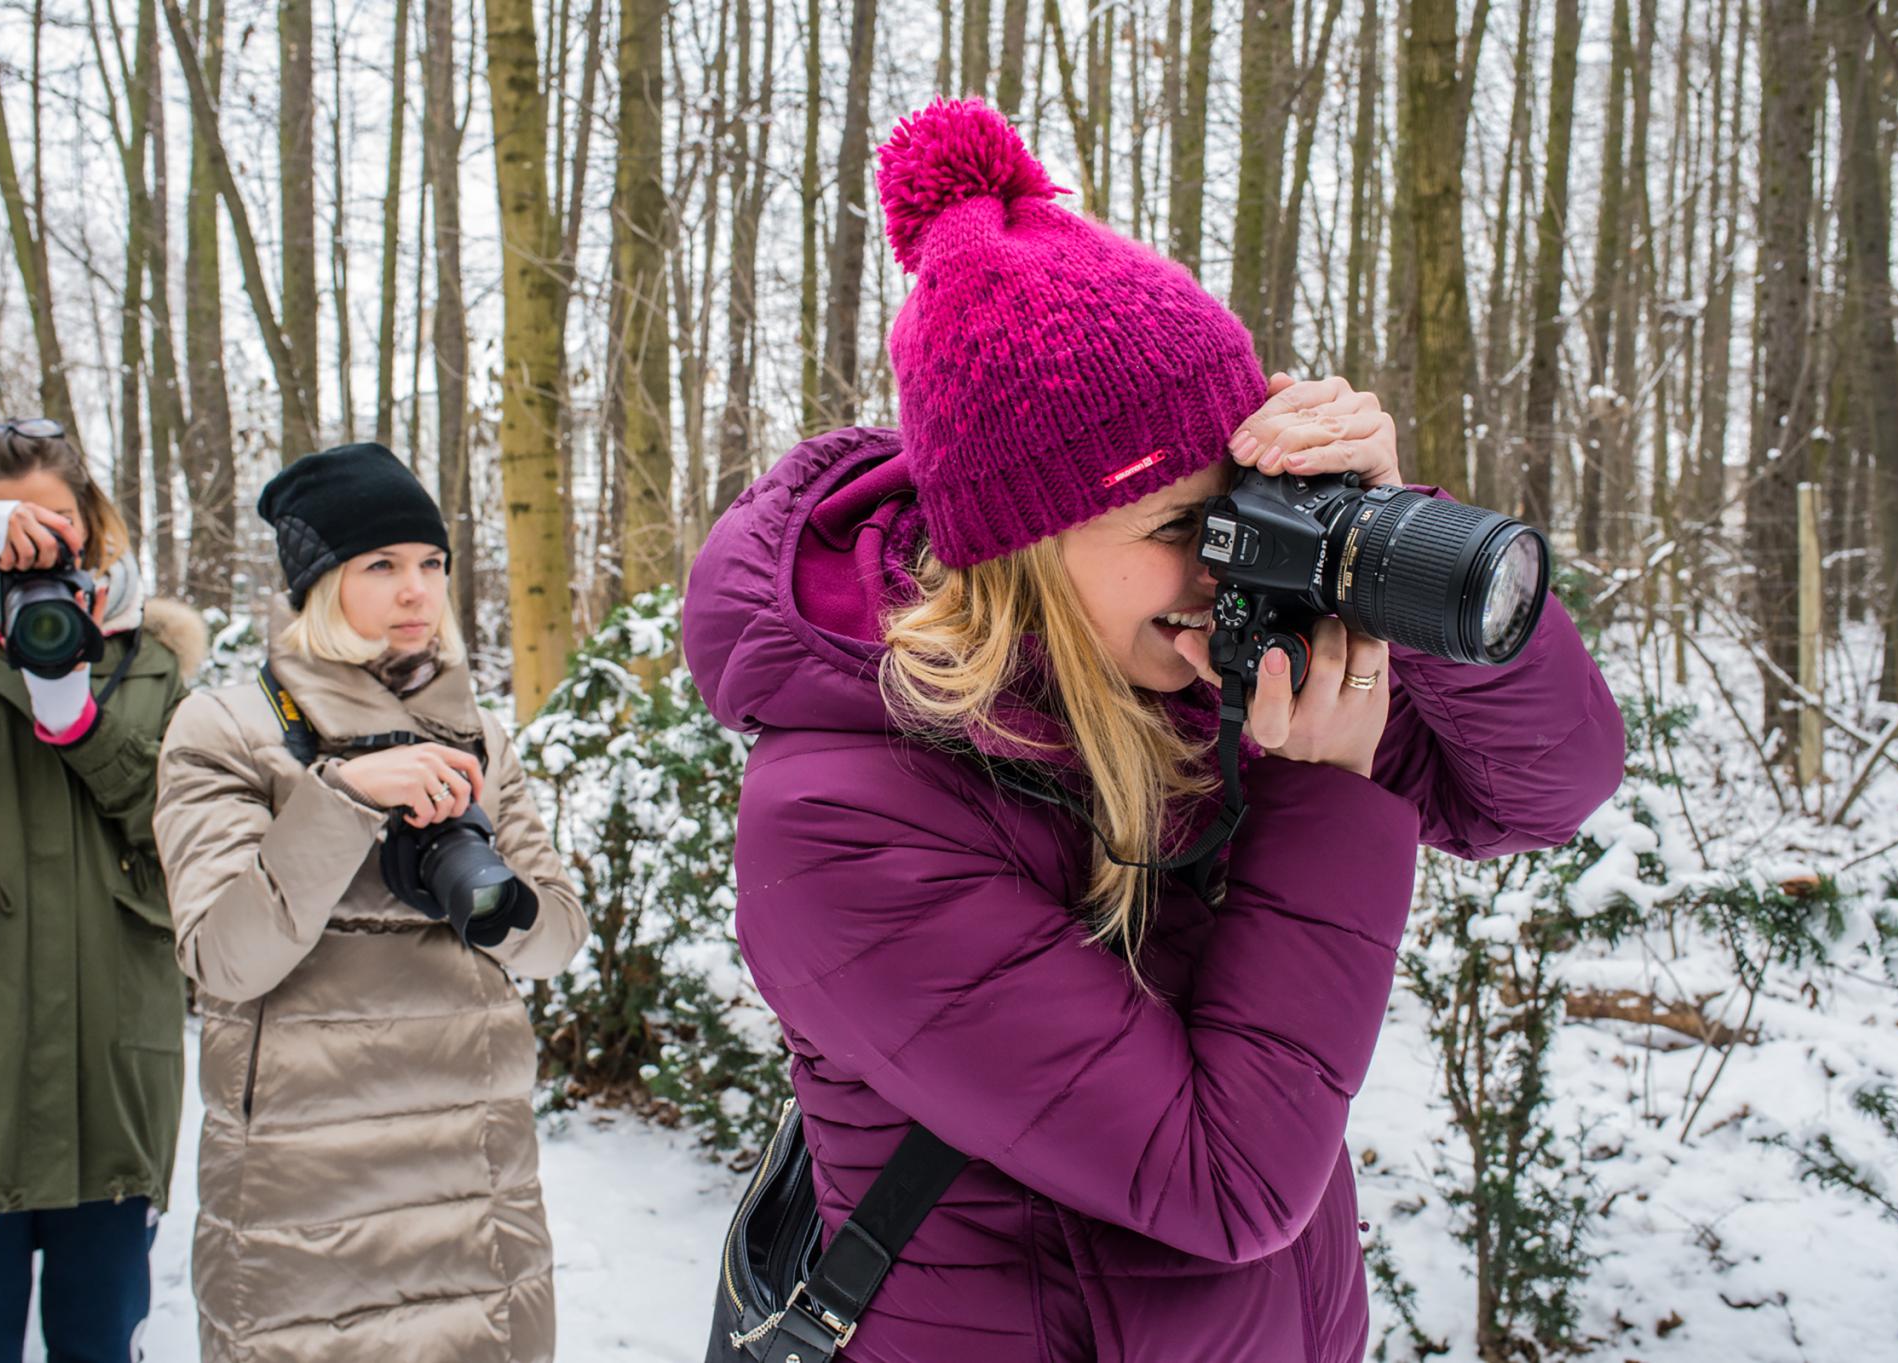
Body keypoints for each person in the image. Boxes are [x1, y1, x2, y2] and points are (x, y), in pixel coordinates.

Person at [682, 100, 1626, 1363]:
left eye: (1244, 508)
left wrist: (1385, 530)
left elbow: (1536, 790)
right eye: (1181, 525)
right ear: (1021, 543)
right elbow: (1219, 1180)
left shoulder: (1178, 663)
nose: (1226, 566)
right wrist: (1321, 795)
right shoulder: (839, 820)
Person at [152, 442, 588, 1363]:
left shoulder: (478, 734)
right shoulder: (226, 728)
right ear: (317, 581)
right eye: (380, 565)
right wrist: (345, 797)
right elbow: (226, 957)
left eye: (431, 563)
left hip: (475, 1190)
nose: (416, 590)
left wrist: (502, 906)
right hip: (305, 1209)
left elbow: (555, 938)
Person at [0, 419, 204, 1363]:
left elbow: (184, 830)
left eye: (57, 521)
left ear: (94, 523)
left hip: (110, 1089)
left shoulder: (148, 659)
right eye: (9, 523)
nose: (38, 544)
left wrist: (81, 723)